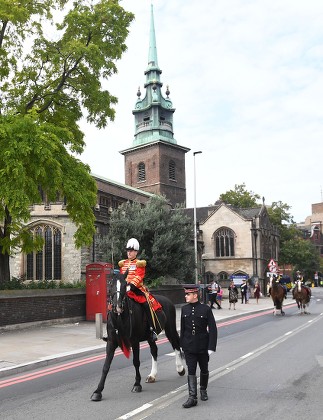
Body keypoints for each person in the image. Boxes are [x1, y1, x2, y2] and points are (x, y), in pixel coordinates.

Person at [180, 284, 217, 409]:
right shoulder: (184, 309)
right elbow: (183, 329)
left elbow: (213, 329)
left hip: (202, 345)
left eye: (188, 294)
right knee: (191, 370)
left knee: (204, 369)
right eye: (186, 294)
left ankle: (203, 389)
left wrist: (211, 347)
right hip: (189, 346)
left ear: (195, 295)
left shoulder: (206, 309)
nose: (185, 296)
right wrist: (181, 345)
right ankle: (192, 397)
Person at [118, 238, 161, 342]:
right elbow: (121, 277)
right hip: (125, 290)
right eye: (128, 250)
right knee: (114, 302)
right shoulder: (123, 264)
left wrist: (131, 286)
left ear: (136, 252)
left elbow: (139, 277)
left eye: (131, 250)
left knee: (147, 305)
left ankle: (152, 330)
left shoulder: (139, 263)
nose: (129, 252)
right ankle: (114, 329)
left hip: (136, 290)